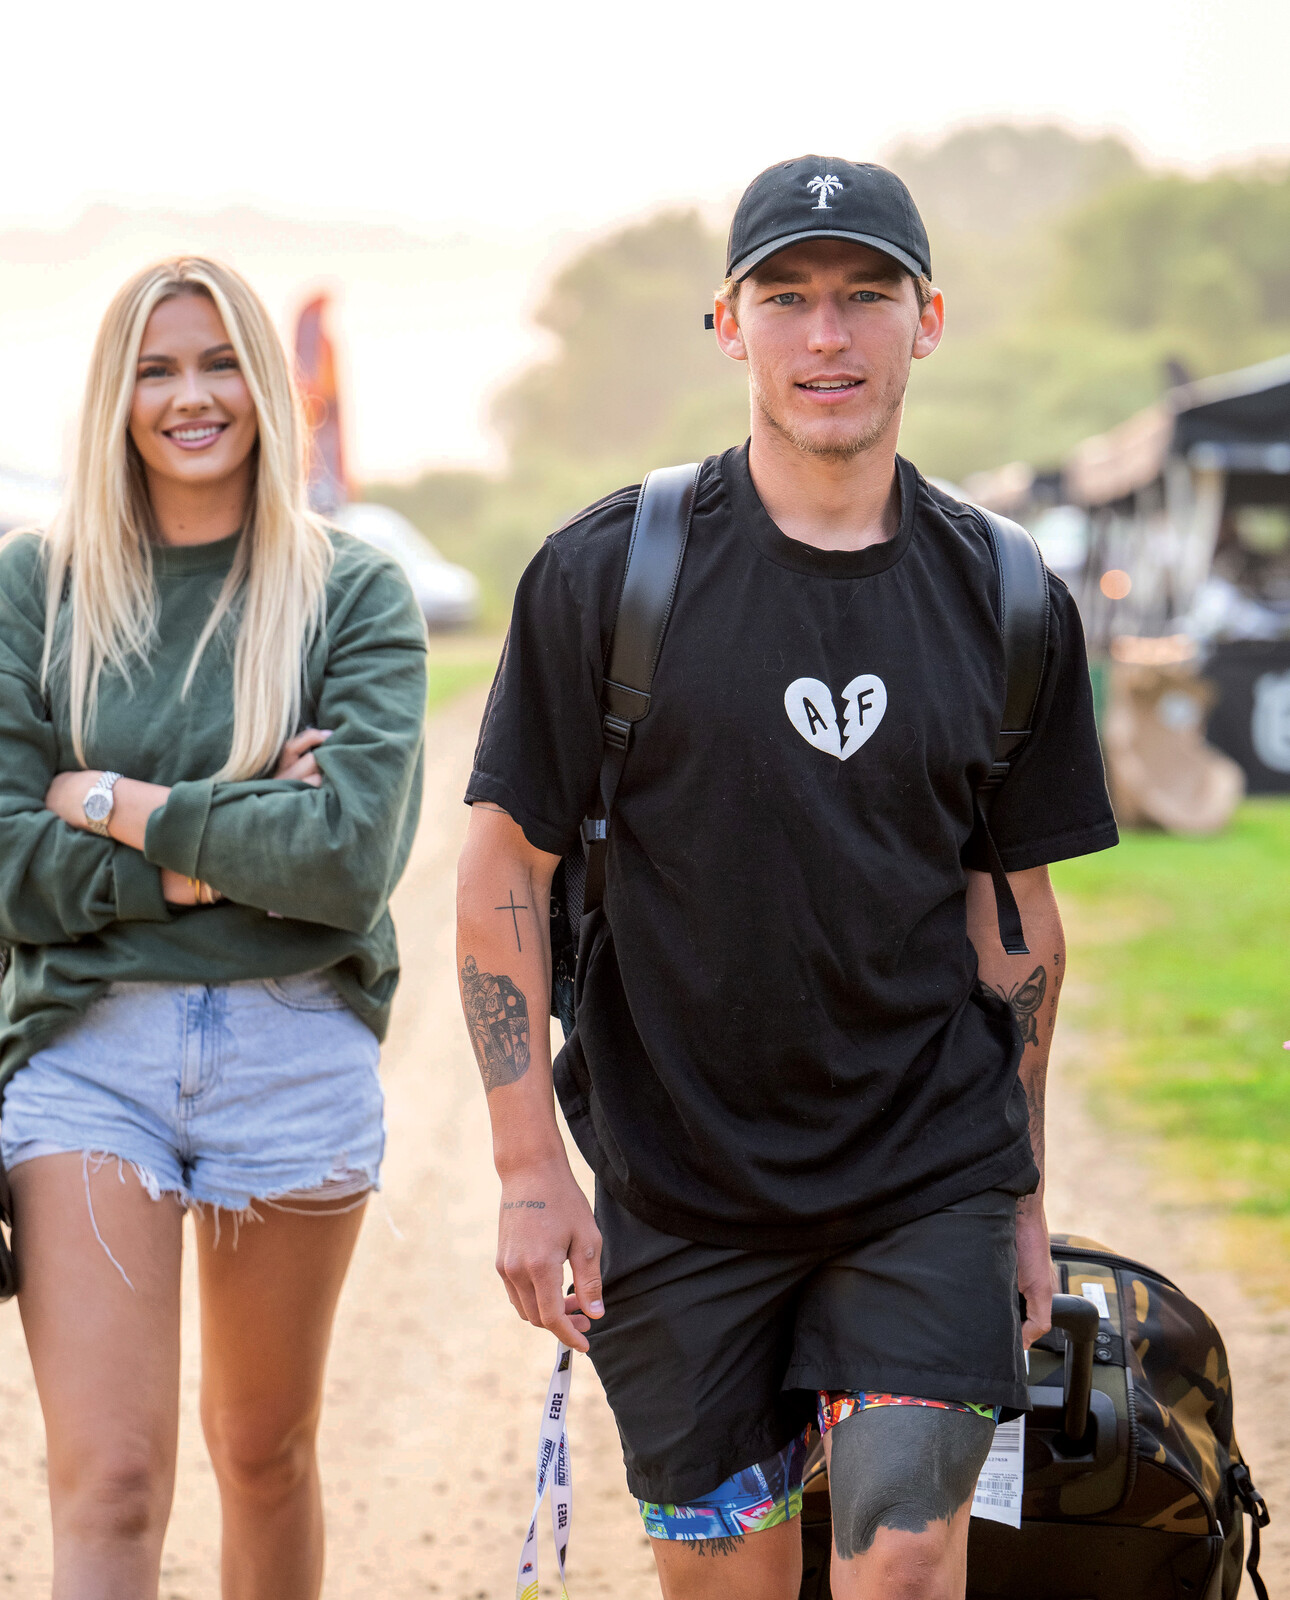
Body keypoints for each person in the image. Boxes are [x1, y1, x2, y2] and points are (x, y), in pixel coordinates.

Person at [456, 156, 1116, 1600]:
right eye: (789, 299)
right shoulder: (606, 577)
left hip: (922, 1174)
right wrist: (525, 1174)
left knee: (898, 1557)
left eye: (865, 297)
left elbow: (1014, 929)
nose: (828, 336)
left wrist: (1016, 1192)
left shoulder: (1005, 599)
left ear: (925, 320)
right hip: (675, 1184)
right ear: (727, 324)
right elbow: (502, 868)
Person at [0, 256, 426, 1600]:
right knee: (111, 1480)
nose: (190, 395)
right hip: (87, 1049)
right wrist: (219, 851)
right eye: (157, 368)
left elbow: (346, 856)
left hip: (294, 1043)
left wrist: (111, 803)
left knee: (262, 1452)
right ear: (117, 395)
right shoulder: (37, 586)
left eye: (218, 364)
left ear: (264, 386)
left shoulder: (351, 593)